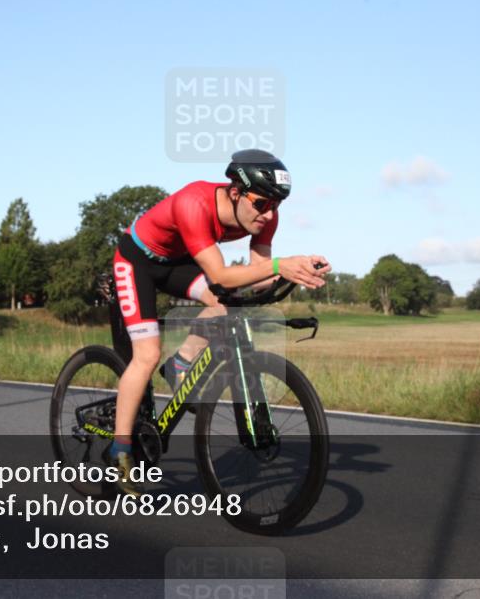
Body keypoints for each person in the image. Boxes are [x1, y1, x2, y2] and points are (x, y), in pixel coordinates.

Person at [108, 149, 331, 496]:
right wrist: (278, 265)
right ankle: (120, 452)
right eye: (261, 204)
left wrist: (298, 269)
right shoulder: (194, 203)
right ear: (235, 192)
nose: (269, 213)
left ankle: (179, 364)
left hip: (179, 261)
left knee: (225, 304)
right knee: (147, 355)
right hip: (138, 261)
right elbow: (222, 274)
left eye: (276, 205)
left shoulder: (266, 214)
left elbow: (257, 278)